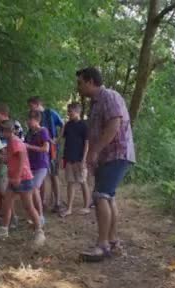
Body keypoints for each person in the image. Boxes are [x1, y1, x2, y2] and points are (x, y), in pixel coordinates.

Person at [75, 67, 135, 262]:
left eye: (80, 82)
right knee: (108, 197)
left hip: (116, 154)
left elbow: (114, 125)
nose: (78, 87)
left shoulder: (108, 96)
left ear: (91, 81)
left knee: (101, 196)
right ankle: (112, 241)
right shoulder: (95, 103)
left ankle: (102, 246)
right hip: (107, 156)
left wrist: (95, 150)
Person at [0, 120, 46, 247]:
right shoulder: (10, 142)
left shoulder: (15, 142)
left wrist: (17, 177)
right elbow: (10, 160)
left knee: (28, 207)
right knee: (7, 203)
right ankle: (4, 229)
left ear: (10, 131)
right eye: (1, 130)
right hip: (14, 178)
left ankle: (39, 231)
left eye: (3, 130)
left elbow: (21, 160)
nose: (2, 132)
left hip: (23, 179)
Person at [27, 97, 64, 212]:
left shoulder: (50, 113)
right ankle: (42, 202)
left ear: (37, 104)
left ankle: (57, 202)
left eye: (31, 105)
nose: (30, 108)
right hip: (39, 150)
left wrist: (57, 139)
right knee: (41, 175)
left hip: (51, 148)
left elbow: (62, 124)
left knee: (53, 174)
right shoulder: (34, 117)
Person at [59, 103, 90, 218]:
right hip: (69, 158)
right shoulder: (68, 125)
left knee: (83, 181)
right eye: (68, 111)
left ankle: (87, 206)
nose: (69, 114)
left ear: (77, 112)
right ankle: (69, 208)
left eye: (70, 112)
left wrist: (83, 160)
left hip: (79, 159)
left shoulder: (84, 125)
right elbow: (60, 138)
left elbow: (87, 144)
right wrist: (63, 125)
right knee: (70, 182)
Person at [24, 111, 51, 226]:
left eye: (30, 120)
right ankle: (34, 215)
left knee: (34, 189)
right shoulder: (29, 133)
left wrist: (29, 146)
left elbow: (46, 149)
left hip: (41, 165)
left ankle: (40, 216)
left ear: (36, 120)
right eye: (28, 120)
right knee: (30, 190)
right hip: (31, 165)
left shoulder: (43, 131)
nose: (28, 123)